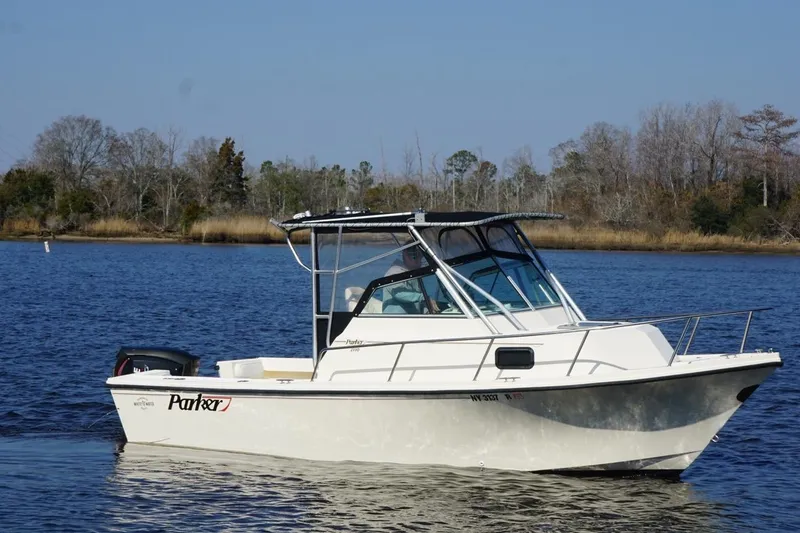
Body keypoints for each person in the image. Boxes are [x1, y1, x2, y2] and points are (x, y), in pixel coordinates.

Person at [381, 242, 440, 314]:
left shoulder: (414, 273)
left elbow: (419, 301)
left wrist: (428, 311)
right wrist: (424, 298)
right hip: (395, 320)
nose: (420, 260)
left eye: (421, 256)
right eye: (416, 256)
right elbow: (399, 294)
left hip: (412, 319)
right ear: (406, 255)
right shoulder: (394, 272)